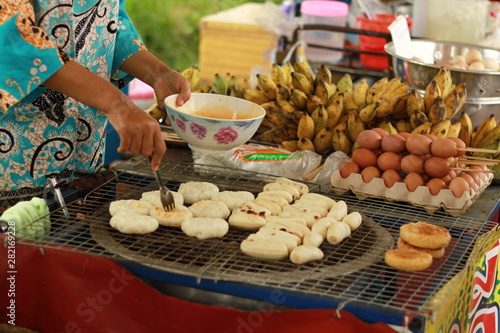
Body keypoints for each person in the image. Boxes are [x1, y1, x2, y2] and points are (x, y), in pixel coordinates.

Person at [0, 1, 191, 208]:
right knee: (15, 236)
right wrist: (118, 104)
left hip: (86, 148)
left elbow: (109, 22)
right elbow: (13, 39)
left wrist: (158, 74)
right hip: (18, 154)